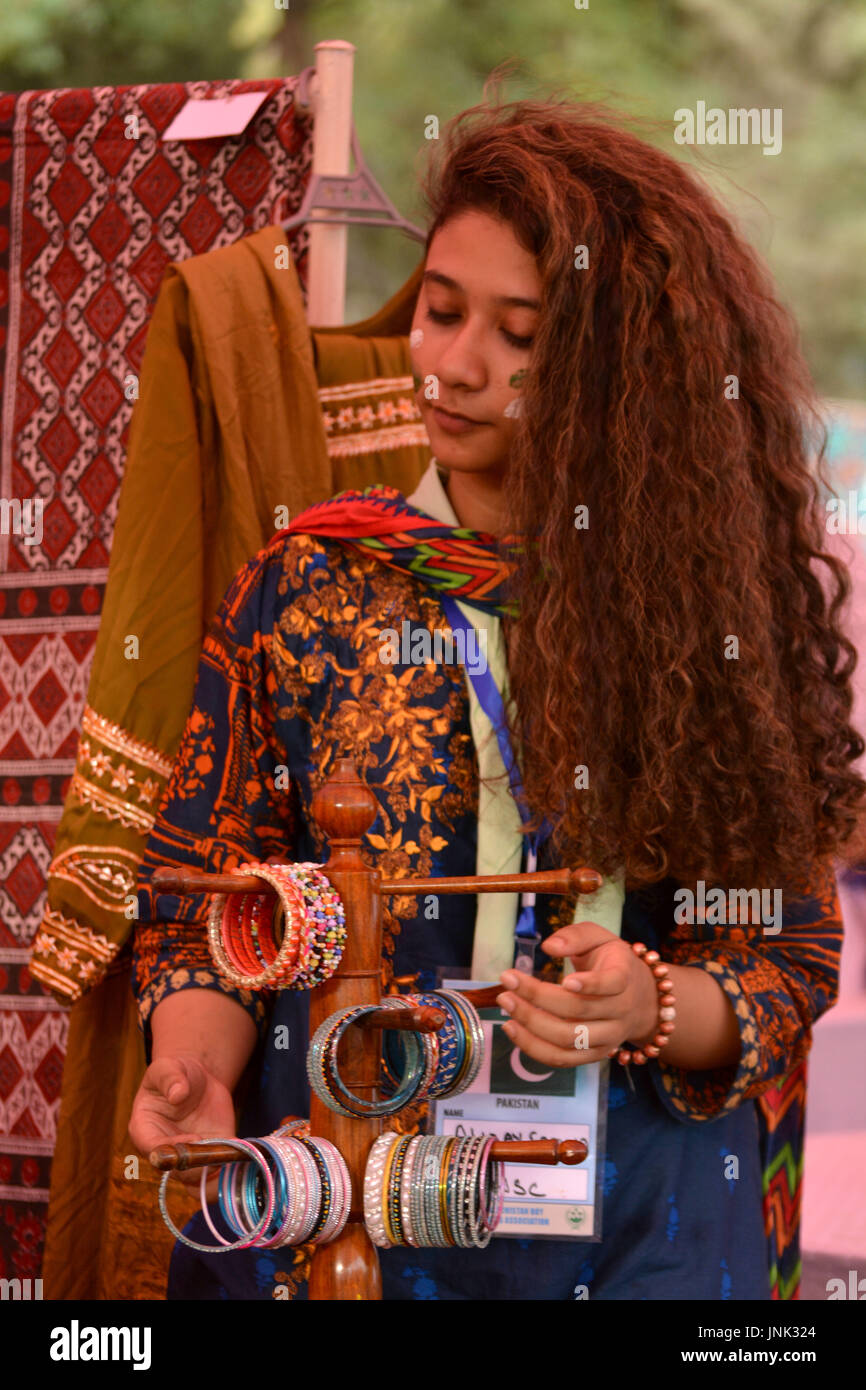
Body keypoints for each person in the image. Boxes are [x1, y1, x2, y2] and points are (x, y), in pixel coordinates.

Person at [128, 88, 863, 1301]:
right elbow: (202, 884)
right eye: (439, 309)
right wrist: (194, 1065)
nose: (454, 365)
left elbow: (784, 955)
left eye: (520, 337)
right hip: (349, 1187)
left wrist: (651, 999)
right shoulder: (308, 584)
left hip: (638, 1216)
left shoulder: (700, 611)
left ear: (619, 373)